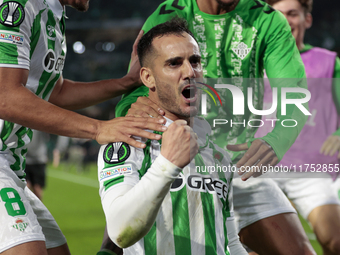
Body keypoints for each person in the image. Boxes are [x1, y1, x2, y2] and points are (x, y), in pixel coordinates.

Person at [106, 0, 316, 254]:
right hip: (177, 157)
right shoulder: (170, 12)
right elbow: (137, 85)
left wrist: (276, 140)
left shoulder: (267, 19)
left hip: (238, 165)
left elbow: (294, 95)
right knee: (131, 226)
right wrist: (130, 111)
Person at [0, 0, 168, 253]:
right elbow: (5, 96)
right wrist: (98, 128)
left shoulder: (54, 14)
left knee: (56, 251)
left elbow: (56, 91)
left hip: (12, 164)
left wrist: (125, 83)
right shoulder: (18, 4)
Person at [98, 18, 248, 255]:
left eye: (195, 61)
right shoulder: (128, 142)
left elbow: (229, 240)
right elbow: (119, 231)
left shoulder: (217, 152)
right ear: (148, 78)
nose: (190, 72)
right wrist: (167, 165)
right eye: (174, 63)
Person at [253, 0, 340, 254]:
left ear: (307, 19)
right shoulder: (250, 62)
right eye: (278, 14)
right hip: (259, 167)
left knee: (336, 240)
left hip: (310, 169)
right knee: (250, 245)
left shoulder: (328, 62)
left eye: (292, 14)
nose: (285, 20)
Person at [25, 129, 49, 201]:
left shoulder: (41, 122)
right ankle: (27, 209)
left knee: (37, 188)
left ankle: (38, 210)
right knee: (25, 186)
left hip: (39, 159)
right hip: (25, 158)